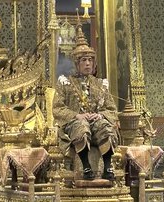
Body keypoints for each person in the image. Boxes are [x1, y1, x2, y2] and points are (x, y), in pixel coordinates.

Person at [53, 22, 119, 181]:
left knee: (105, 128)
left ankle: (108, 166)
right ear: (77, 63)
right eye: (83, 60)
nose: (88, 63)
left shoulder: (100, 84)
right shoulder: (65, 83)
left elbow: (111, 109)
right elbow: (57, 108)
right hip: (74, 123)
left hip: (96, 121)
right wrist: (77, 116)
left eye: (90, 60)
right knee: (82, 128)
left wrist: (101, 115)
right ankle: (86, 166)